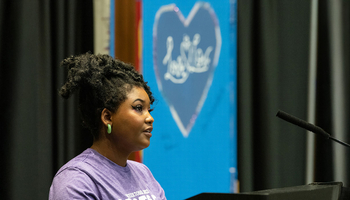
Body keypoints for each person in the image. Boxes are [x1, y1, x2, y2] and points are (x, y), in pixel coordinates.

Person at [49, 52, 166, 200]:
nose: (150, 118)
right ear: (107, 117)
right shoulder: (77, 180)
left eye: (149, 110)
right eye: (138, 108)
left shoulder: (143, 173)